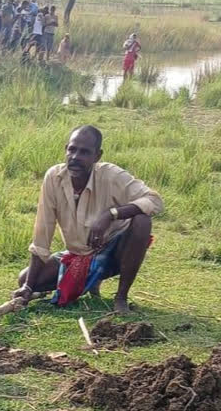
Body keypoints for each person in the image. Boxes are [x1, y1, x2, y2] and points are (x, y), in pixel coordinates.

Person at [12, 126, 163, 315]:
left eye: (84, 152)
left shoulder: (111, 175)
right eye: (72, 150)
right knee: (25, 279)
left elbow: (154, 200)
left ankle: (121, 298)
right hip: (77, 254)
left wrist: (111, 214)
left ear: (97, 156)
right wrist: (27, 287)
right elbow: (43, 232)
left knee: (142, 221)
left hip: (113, 252)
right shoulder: (54, 178)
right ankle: (89, 281)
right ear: (66, 149)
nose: (75, 157)